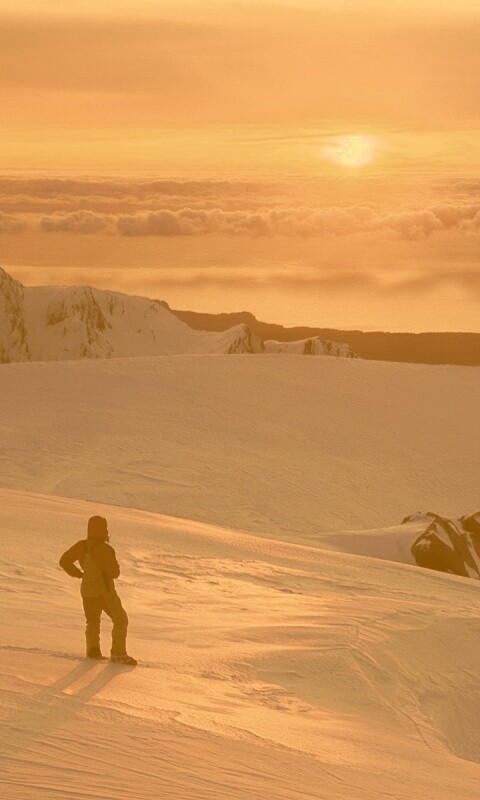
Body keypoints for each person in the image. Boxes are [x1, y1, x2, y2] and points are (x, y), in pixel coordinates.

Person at [59, 515, 137, 665]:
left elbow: (64, 561)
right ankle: (118, 653)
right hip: (104, 592)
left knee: (92, 621)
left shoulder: (81, 546)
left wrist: (79, 574)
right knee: (121, 619)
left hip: (87, 591)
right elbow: (115, 573)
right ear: (103, 529)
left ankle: (92, 650)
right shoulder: (106, 549)